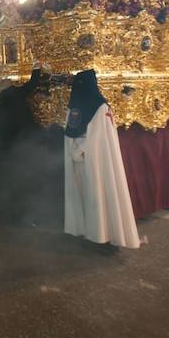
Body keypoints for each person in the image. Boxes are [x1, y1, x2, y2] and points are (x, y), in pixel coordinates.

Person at [63, 70, 140, 249]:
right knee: (95, 196)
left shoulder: (98, 107)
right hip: (90, 160)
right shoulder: (98, 105)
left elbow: (95, 139)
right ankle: (94, 234)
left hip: (93, 161)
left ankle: (102, 236)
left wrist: (75, 151)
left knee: (97, 197)